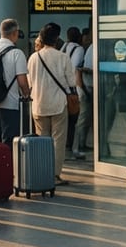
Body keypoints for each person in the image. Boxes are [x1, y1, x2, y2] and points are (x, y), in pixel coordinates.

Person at [26, 23, 77, 186]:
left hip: (39, 104)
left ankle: (42, 173)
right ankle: (55, 175)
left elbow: (29, 82)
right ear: (57, 39)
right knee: (58, 141)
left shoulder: (33, 57)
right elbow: (71, 82)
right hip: (58, 104)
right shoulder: (62, 57)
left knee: (42, 141)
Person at [0, 19, 31, 146]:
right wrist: (27, 95)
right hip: (9, 104)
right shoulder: (17, 53)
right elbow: (22, 81)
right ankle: (8, 166)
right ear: (15, 33)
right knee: (9, 143)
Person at [61, 27, 86, 159]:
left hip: (62, 89)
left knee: (66, 118)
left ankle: (67, 144)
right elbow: (75, 68)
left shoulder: (64, 47)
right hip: (73, 88)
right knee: (75, 118)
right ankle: (73, 146)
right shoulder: (79, 49)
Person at [74, 28, 95, 158]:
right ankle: (79, 145)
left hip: (86, 86)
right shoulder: (90, 48)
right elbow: (79, 69)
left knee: (86, 117)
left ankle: (83, 143)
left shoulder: (90, 48)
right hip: (88, 87)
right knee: (84, 117)